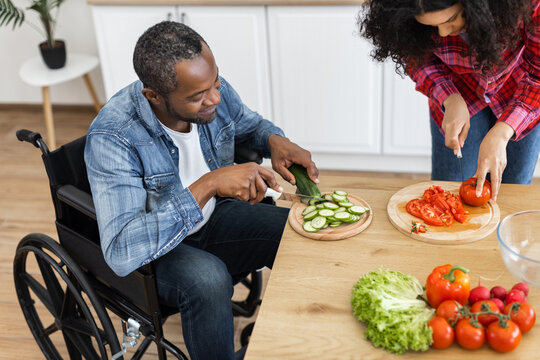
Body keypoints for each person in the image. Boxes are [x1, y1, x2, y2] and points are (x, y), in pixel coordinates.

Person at [84, 21, 318, 360]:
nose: (216, 98)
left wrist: (275, 140)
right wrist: (210, 183)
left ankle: (296, 339)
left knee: (294, 230)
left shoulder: (209, 88)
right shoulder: (113, 137)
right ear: (154, 95)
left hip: (213, 219)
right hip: (158, 254)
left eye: (216, 82)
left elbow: (248, 126)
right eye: (198, 96)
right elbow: (122, 250)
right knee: (208, 280)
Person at [358, 0, 540, 200]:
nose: (443, 33)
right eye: (432, 27)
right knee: (448, 187)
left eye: (451, 19)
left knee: (513, 190)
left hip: (523, 93)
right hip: (457, 87)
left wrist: (504, 130)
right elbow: (416, 57)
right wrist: (450, 98)